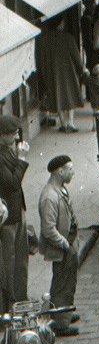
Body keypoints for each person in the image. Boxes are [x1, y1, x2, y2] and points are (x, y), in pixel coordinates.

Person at [37, 156, 80, 336]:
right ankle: (61, 323)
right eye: (70, 169)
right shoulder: (49, 197)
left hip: (68, 245)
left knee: (68, 281)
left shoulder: (60, 189)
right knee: (62, 285)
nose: (73, 172)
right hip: (62, 249)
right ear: (60, 172)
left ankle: (65, 313)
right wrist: (65, 245)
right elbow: (48, 230)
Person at [0, 115, 30, 313]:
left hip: (17, 211)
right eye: (13, 134)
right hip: (8, 217)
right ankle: (12, 302)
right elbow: (12, 183)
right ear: (2, 136)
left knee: (21, 258)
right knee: (10, 262)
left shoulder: (7, 150)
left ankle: (21, 298)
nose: (17, 137)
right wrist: (21, 160)